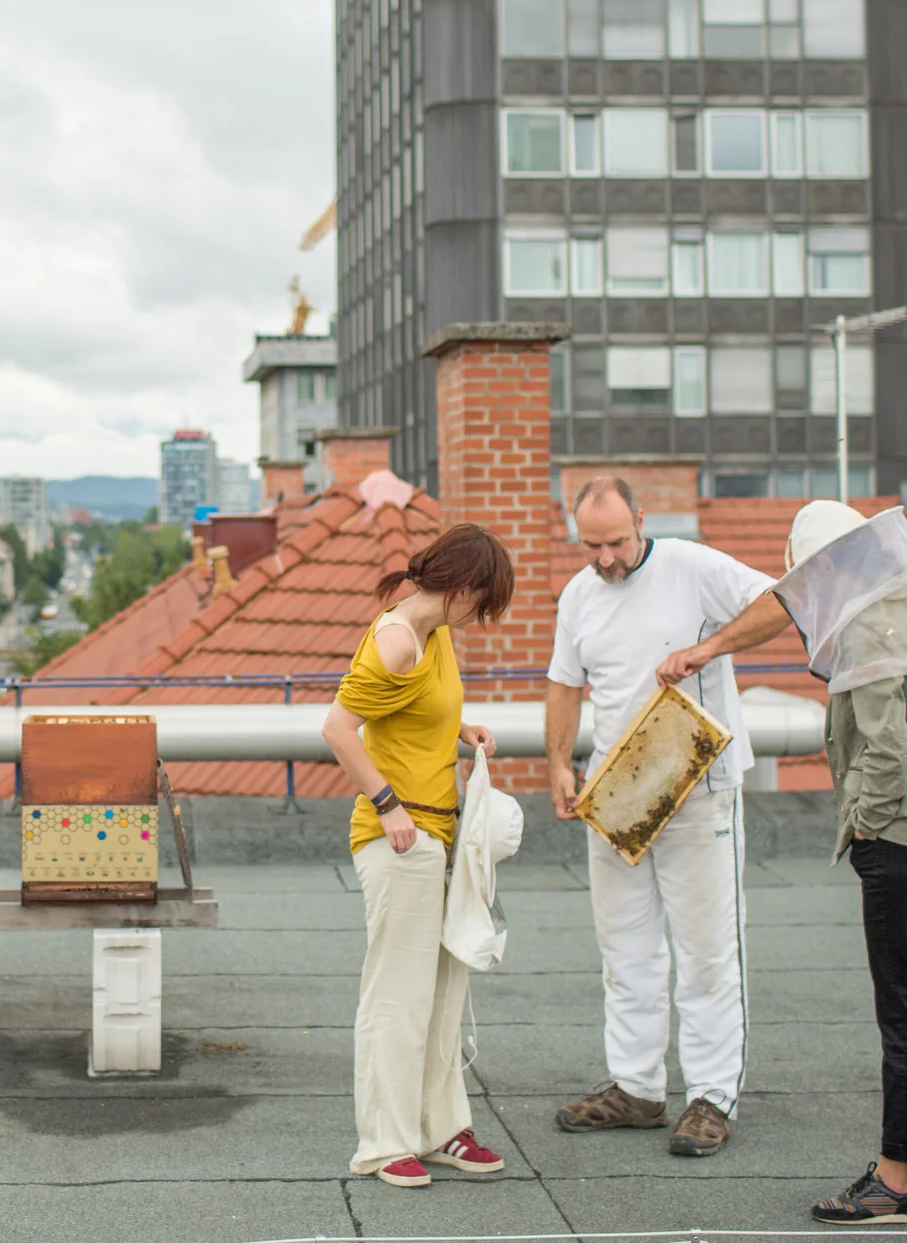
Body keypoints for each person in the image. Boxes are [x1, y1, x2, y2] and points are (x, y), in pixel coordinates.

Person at [674, 499, 907, 1224]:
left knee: (904, 1012)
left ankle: (895, 1180)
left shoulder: (863, 631)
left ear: (830, 566)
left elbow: (887, 751)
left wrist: (864, 829)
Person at [545, 476, 797, 1157]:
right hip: (619, 789)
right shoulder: (578, 593)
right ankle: (637, 1086)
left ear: (642, 521)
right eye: (591, 544)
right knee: (624, 947)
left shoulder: (693, 565)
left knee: (708, 947)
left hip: (697, 782)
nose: (605, 557)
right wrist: (559, 763)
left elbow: (781, 602)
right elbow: (565, 682)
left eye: (617, 541)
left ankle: (711, 1095)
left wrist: (707, 648)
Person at [322, 523, 515, 1189]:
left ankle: (439, 1129)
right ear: (461, 587)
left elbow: (411, 708)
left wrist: (460, 727)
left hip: (440, 830)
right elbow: (338, 728)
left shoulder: (436, 631)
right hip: (399, 836)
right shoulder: (398, 638)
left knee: (441, 992)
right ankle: (383, 1142)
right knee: (397, 996)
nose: (484, 616)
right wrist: (386, 804)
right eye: (484, 601)